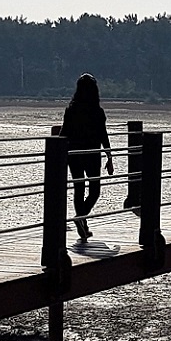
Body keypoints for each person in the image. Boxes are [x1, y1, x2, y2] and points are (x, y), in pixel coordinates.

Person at [61, 73, 114, 241]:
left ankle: (82, 221)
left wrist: (58, 153)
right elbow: (103, 135)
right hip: (92, 154)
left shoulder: (71, 110)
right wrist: (109, 156)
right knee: (95, 190)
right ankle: (81, 218)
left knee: (79, 189)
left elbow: (63, 133)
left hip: (74, 154)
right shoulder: (97, 111)